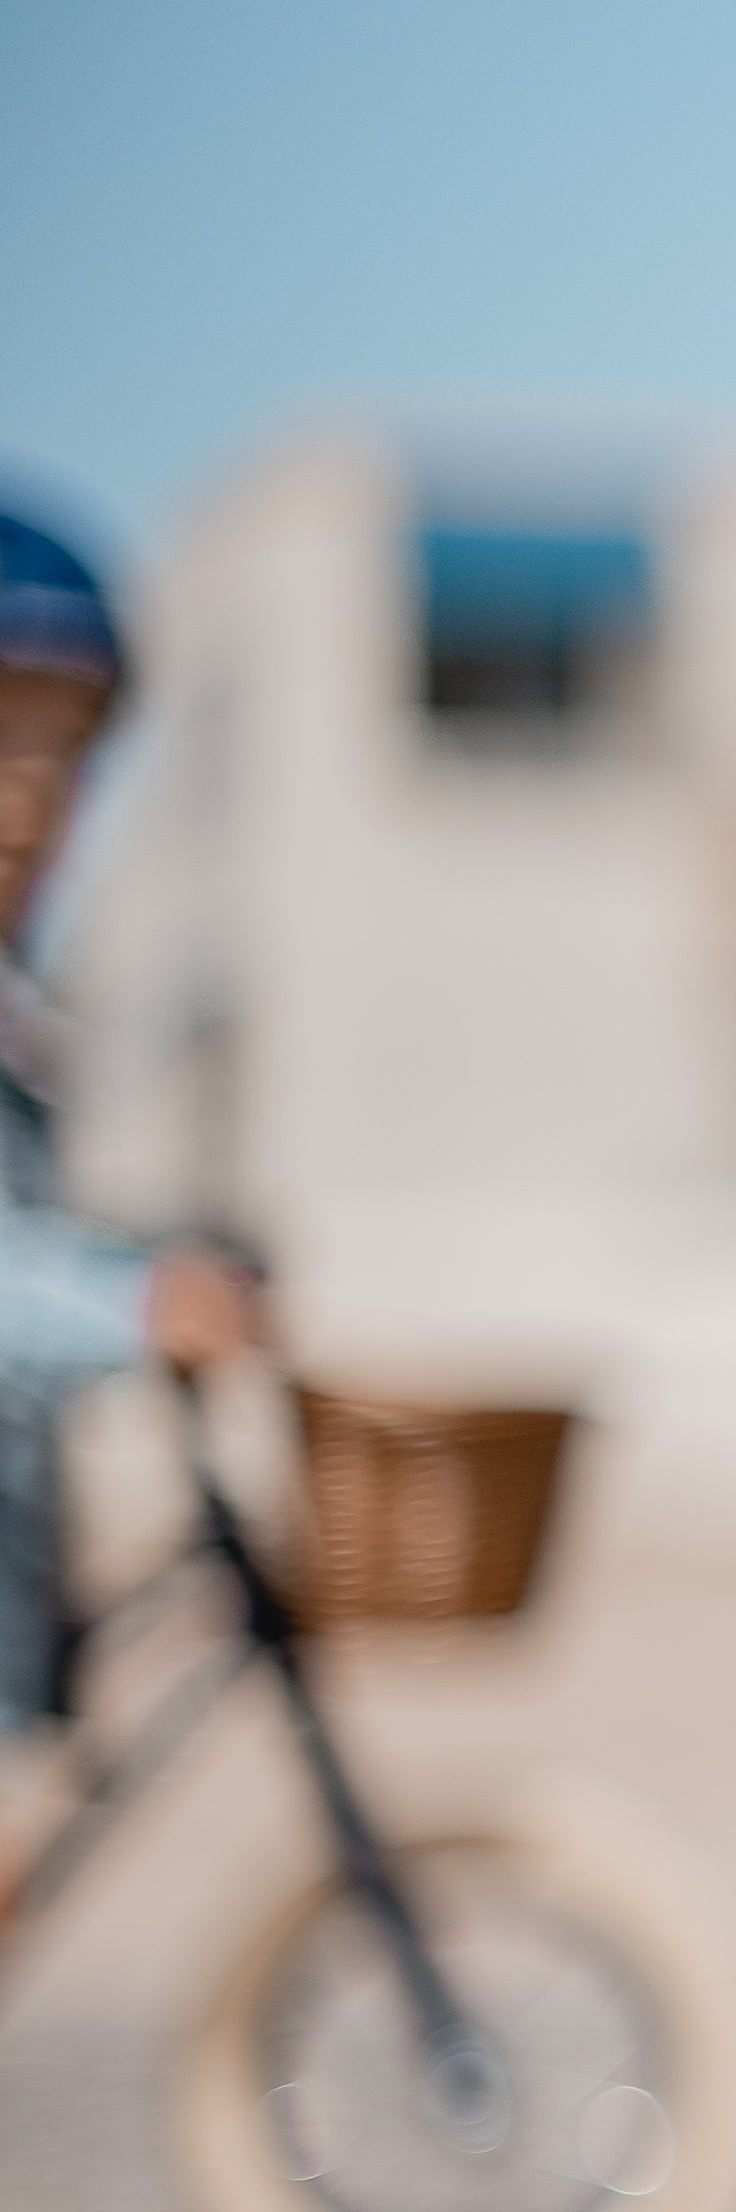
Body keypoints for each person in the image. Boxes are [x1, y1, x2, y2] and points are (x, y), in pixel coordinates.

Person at [0, 506, 263, 1902]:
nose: (29, 800)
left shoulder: (26, 1020)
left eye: (64, 751)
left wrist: (152, 1256)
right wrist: (130, 1302)